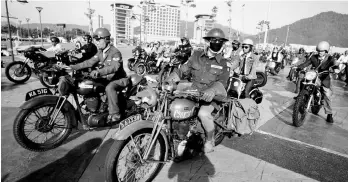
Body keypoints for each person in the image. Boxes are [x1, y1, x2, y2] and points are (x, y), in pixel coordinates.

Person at [166, 28, 230, 153]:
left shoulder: (223, 62)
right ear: (208, 41)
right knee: (174, 105)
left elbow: (222, 83)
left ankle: (209, 140)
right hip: (193, 92)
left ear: (223, 43)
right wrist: (169, 80)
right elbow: (183, 70)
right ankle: (177, 136)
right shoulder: (196, 55)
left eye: (219, 41)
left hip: (211, 97)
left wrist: (211, 91)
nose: (216, 42)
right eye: (213, 40)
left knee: (203, 114)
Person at [58, 28, 127, 127]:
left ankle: (115, 114)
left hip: (118, 79)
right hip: (106, 78)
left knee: (109, 87)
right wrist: (72, 67)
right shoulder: (100, 52)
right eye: (95, 40)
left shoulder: (115, 52)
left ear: (106, 39)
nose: (96, 42)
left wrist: (99, 72)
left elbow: (115, 67)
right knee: (90, 84)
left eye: (98, 40)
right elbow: (89, 62)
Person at [296, 41, 338, 123]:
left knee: (327, 94)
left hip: (324, 78)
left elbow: (334, 63)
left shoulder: (330, 58)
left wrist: (335, 68)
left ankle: (329, 114)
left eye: (322, 51)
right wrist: (299, 67)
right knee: (304, 81)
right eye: (318, 51)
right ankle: (301, 97)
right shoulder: (313, 57)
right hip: (315, 76)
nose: (320, 52)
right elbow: (306, 63)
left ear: (326, 51)